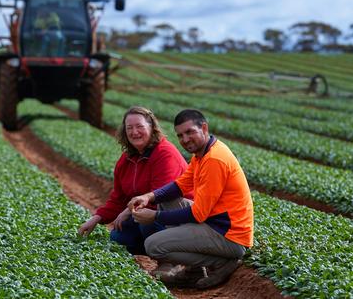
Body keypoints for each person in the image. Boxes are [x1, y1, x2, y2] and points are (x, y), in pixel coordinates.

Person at [128, 109, 253, 289]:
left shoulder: (214, 160)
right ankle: (194, 271)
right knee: (167, 200)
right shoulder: (203, 153)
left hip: (230, 235)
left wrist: (154, 217)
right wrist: (149, 196)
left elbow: (198, 214)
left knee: (153, 245)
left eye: (189, 132)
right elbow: (180, 185)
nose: (185, 139)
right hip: (217, 222)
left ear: (204, 128)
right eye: (180, 135)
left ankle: (221, 263)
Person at [78, 106, 191, 255]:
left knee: (144, 219)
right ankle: (152, 250)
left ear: (152, 128)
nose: (134, 132)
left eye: (140, 126)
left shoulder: (165, 154)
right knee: (118, 237)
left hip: (179, 217)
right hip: (145, 211)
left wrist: (127, 212)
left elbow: (160, 197)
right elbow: (118, 198)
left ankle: (170, 259)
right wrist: (96, 219)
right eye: (129, 128)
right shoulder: (127, 159)